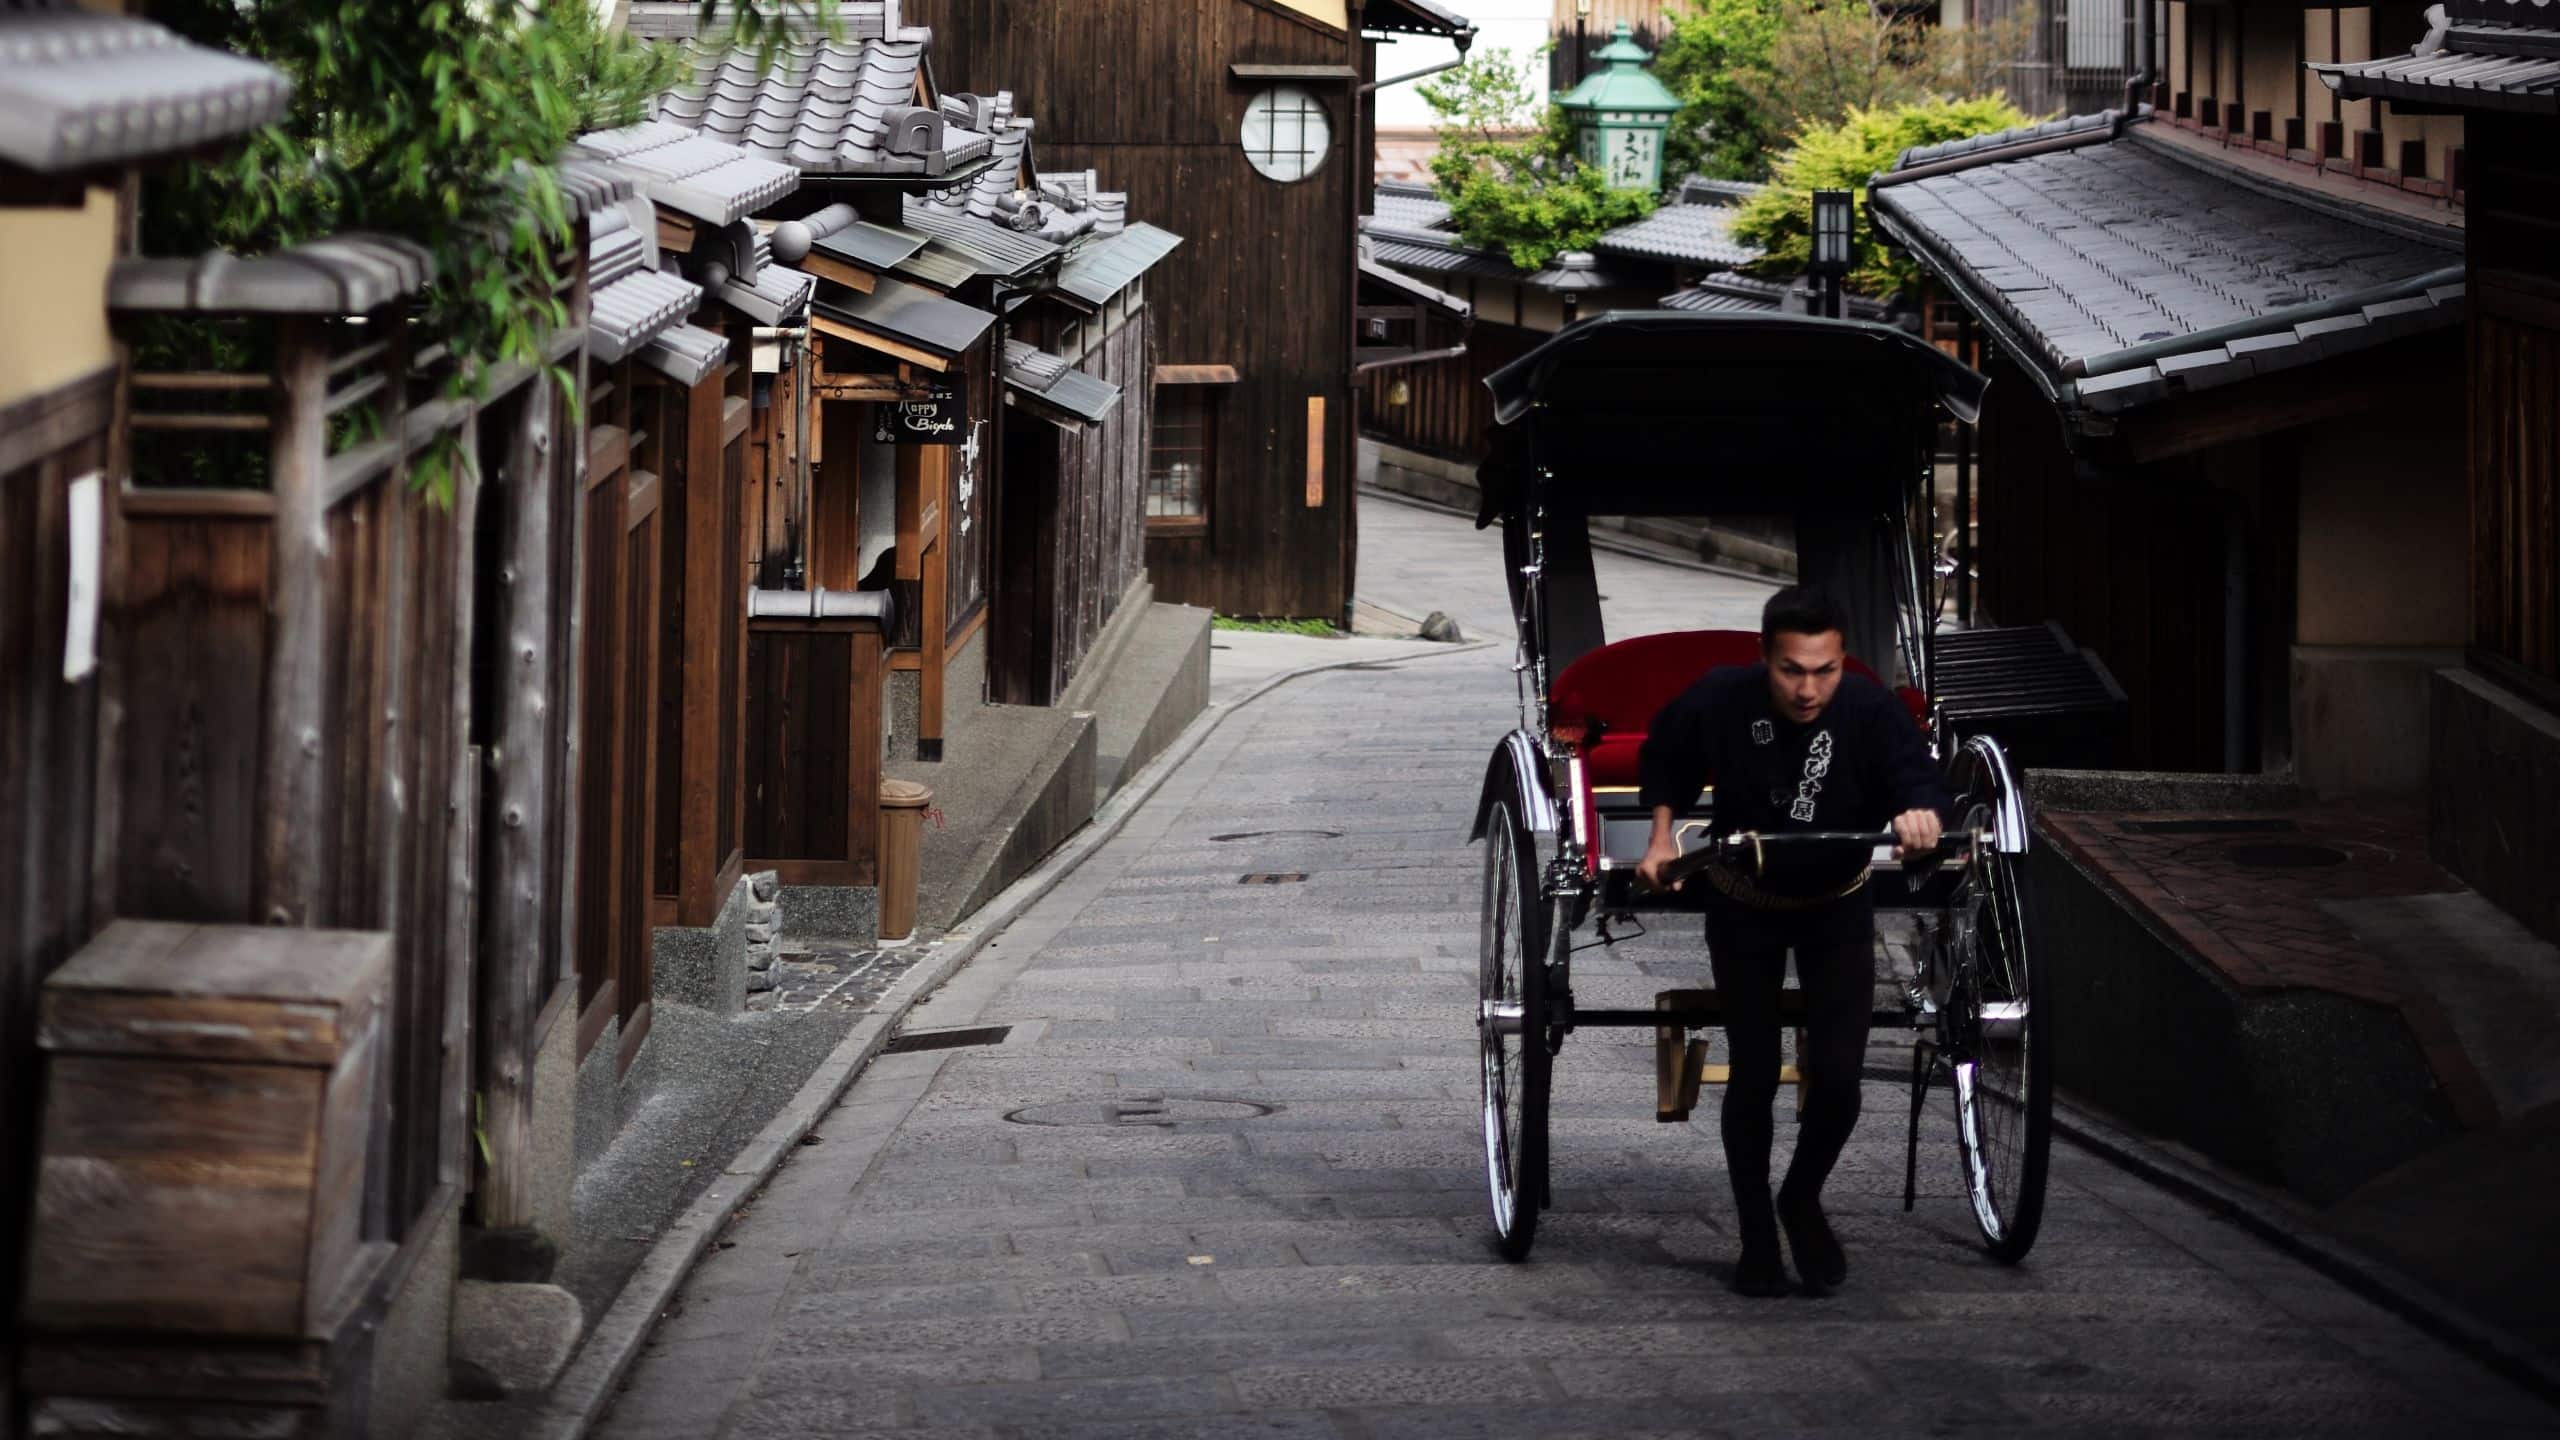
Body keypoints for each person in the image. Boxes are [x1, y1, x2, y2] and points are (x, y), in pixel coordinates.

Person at [1634, 586, 1949, 1297]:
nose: (1809, 689)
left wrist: (1922, 816)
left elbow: (1916, 776)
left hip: (1837, 904)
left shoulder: (1868, 707)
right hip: (1744, 903)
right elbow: (1668, 760)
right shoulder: (1723, 695)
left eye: (1825, 670)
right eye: (1791, 670)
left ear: (1844, 660)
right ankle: (1753, 1237)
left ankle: (1800, 1198)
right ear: (1763, 656)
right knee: (1754, 1070)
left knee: (1838, 1081)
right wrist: (1659, 839)